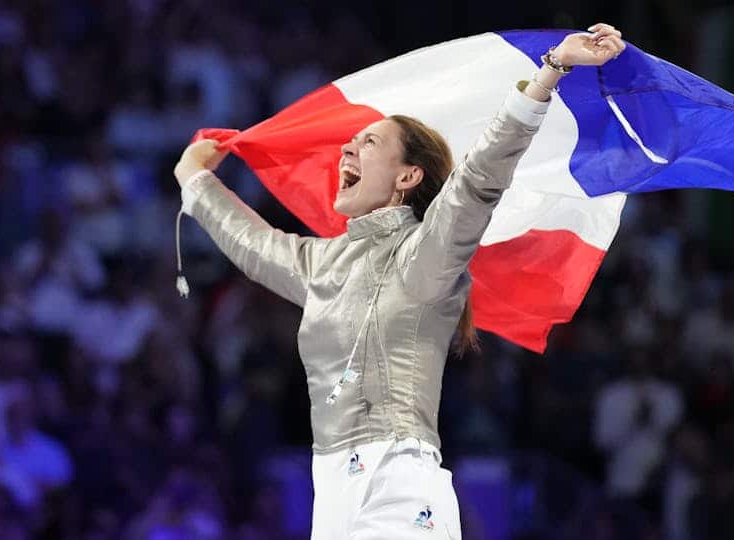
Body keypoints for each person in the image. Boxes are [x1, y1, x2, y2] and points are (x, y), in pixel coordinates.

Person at [174, 24, 627, 539]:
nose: (346, 151)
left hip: (399, 483)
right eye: (349, 144)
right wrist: (195, 179)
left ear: (407, 177)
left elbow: (480, 178)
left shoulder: (425, 255)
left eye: (367, 142)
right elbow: (252, 245)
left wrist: (551, 69)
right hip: (333, 490)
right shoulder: (320, 264)